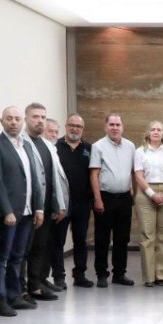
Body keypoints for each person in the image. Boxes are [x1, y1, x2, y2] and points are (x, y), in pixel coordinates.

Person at [0, 106, 45, 316]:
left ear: (22, 122)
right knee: (2, 257)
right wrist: (6, 211)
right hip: (8, 214)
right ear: (1, 121)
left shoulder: (26, 145)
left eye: (17, 119)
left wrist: (38, 207)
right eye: (9, 118)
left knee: (18, 256)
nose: (13, 122)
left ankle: (14, 295)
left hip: (27, 211)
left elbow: (34, 179)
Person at [24, 103, 66, 301]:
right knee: (25, 249)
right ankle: (23, 288)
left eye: (42, 117)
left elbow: (55, 177)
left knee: (41, 247)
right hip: (30, 206)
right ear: (26, 118)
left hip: (47, 206)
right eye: (35, 116)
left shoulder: (48, 145)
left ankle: (36, 284)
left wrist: (59, 204)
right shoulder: (22, 143)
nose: (39, 120)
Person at [90, 113, 136, 287]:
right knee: (102, 238)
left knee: (122, 238)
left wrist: (134, 194)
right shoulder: (98, 146)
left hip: (124, 198)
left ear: (122, 127)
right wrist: (97, 199)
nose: (115, 128)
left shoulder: (130, 146)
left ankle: (119, 274)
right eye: (111, 125)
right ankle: (101, 274)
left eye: (118, 125)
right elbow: (94, 174)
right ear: (105, 127)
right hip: (105, 197)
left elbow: (133, 172)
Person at [133, 120, 163, 286]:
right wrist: (152, 194)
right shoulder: (140, 151)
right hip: (146, 193)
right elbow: (138, 176)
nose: (156, 132)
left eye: (159, 130)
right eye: (153, 129)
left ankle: (162, 275)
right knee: (147, 236)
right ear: (148, 132)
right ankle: (149, 277)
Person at [56, 114, 95, 288]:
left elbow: (94, 175)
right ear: (66, 126)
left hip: (82, 203)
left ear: (83, 129)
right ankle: (59, 277)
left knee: (80, 240)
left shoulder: (89, 148)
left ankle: (80, 275)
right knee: (58, 241)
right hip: (61, 204)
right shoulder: (56, 146)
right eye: (71, 125)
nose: (75, 129)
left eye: (78, 126)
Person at [33, 117, 71, 294]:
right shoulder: (38, 150)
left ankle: (43, 278)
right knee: (39, 247)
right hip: (41, 206)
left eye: (56, 132)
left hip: (52, 207)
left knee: (49, 245)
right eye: (50, 131)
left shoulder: (52, 150)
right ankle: (35, 282)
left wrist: (60, 205)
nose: (54, 134)